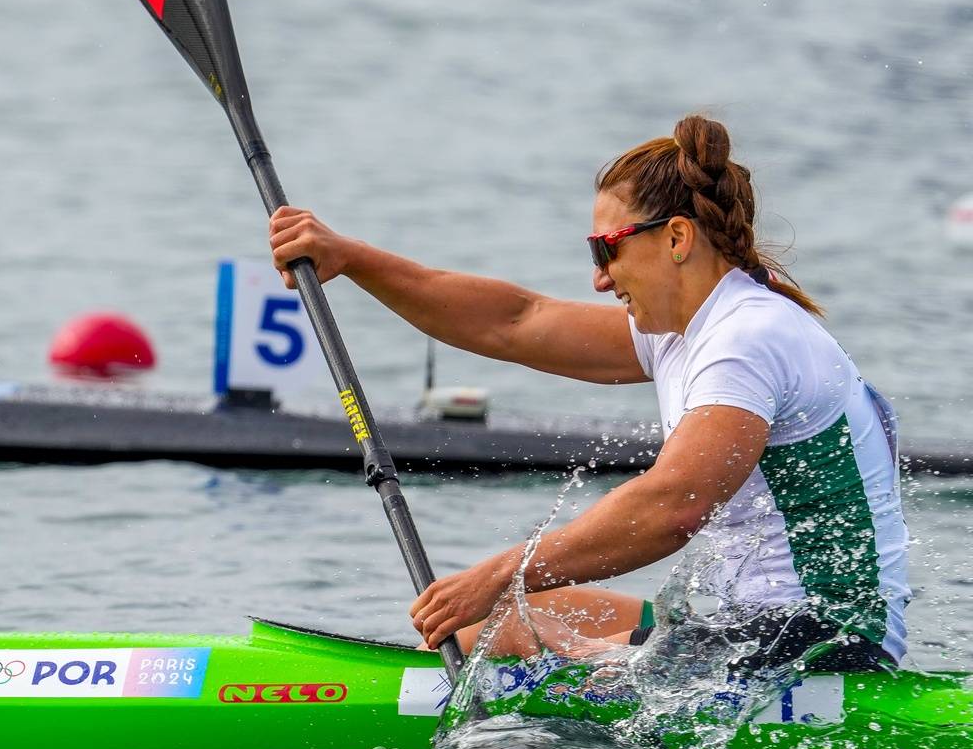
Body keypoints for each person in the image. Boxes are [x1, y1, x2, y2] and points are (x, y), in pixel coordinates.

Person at [268, 114, 908, 673]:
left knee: (509, 630)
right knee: (509, 620)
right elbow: (515, 321)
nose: (600, 279)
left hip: (826, 646)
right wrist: (352, 259)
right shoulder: (692, 327)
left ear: (677, 239)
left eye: (607, 249)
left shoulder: (746, 339)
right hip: (760, 631)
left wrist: (498, 573)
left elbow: (672, 507)